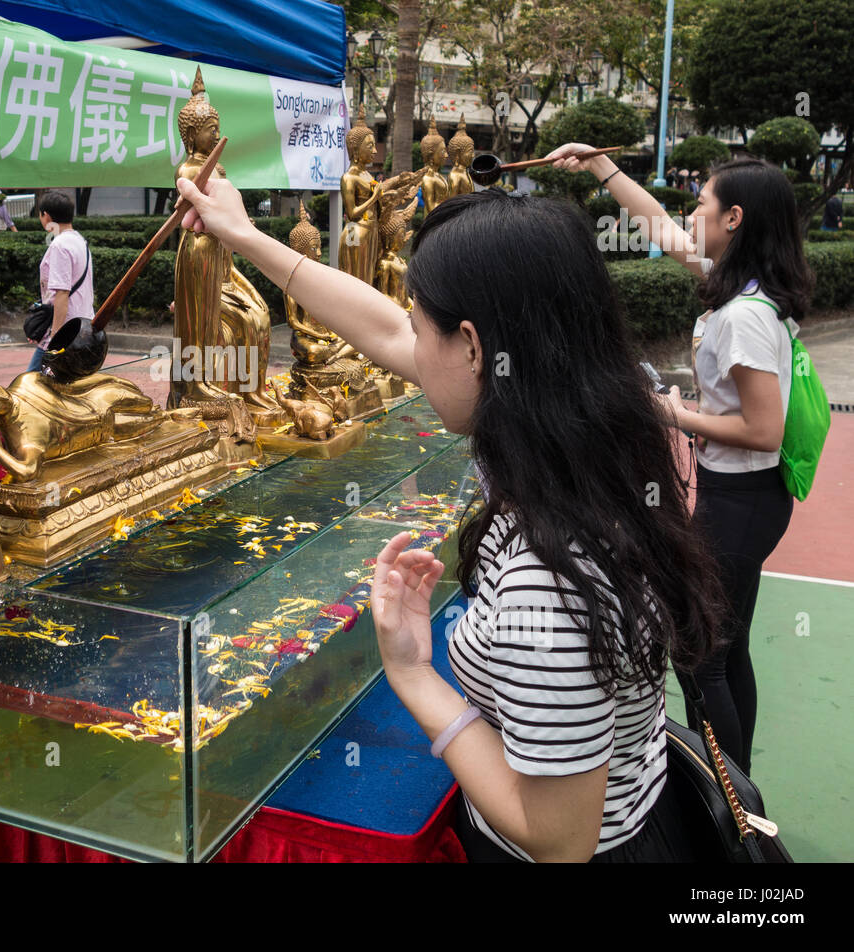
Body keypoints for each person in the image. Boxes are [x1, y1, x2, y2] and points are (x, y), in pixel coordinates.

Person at [176, 173, 725, 862]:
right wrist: (243, 234)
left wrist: (411, 673)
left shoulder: (549, 579)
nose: (404, 340)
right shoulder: (597, 437)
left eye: (419, 324)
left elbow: (558, 839)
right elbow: (376, 327)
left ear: (472, 347)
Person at [547, 145, 813, 777]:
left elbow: (763, 430)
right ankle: (742, 794)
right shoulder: (743, 291)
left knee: (699, 656)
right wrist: (601, 169)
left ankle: (725, 799)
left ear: (734, 218)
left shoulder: (744, 317)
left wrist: (672, 412)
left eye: (701, 203)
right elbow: (660, 229)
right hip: (747, 498)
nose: (690, 215)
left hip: (740, 501)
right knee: (726, 647)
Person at [26, 191, 94, 373]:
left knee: (30, 385)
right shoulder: (80, 241)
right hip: (84, 327)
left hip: (65, 331)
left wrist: (54, 340)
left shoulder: (59, 246)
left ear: (45, 215)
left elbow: (62, 294)